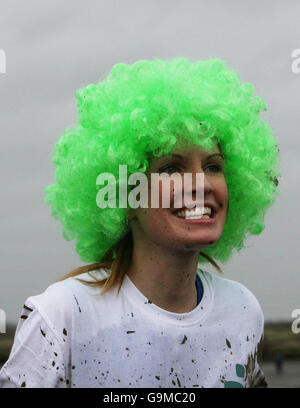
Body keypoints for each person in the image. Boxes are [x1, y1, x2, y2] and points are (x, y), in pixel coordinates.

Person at [0, 57, 280, 388]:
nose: (202, 184)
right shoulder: (61, 318)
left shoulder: (243, 311)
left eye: (214, 166)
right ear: (126, 196)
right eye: (171, 169)